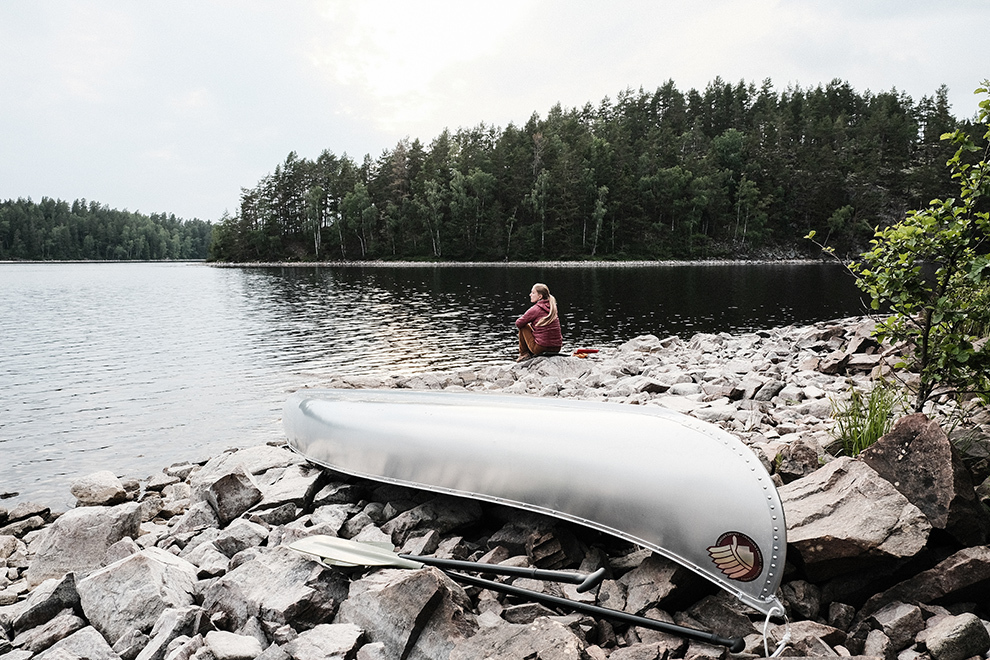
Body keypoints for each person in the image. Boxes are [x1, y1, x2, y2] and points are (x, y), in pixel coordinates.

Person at [515, 282, 563, 361]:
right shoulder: (553, 307)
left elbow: (518, 323)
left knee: (524, 326)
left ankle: (524, 354)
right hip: (557, 348)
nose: (530, 295)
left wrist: (530, 325)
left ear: (540, 296)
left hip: (541, 348)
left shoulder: (536, 309)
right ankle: (528, 353)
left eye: (533, 293)